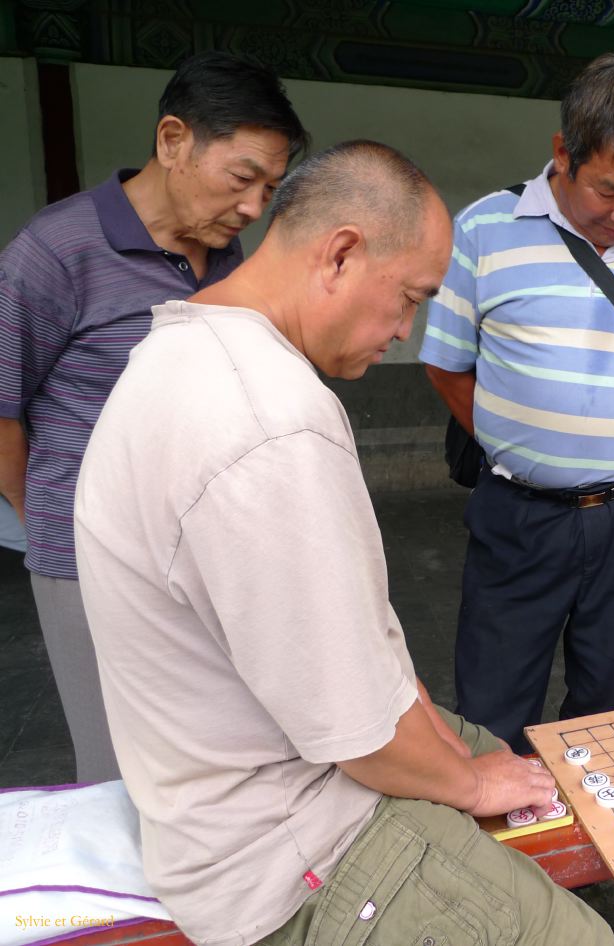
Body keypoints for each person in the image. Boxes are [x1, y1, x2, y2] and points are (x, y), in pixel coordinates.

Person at [75, 141, 614, 946]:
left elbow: (362, 669)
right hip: (294, 851)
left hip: (248, 787)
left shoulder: (183, 348)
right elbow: (362, 735)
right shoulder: (268, 423)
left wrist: (466, 759)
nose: (405, 330)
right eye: (407, 299)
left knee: (499, 754)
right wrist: (465, 784)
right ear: (339, 254)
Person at [0, 51, 305, 782]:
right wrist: (48, 516)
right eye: (242, 179)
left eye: (270, 188)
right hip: (88, 561)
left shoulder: (229, 259)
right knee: (117, 764)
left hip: (204, 554)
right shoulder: (56, 251)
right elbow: (3, 411)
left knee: (206, 755)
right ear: (173, 141)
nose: (254, 209)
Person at [420, 53, 614, 752]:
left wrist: (611, 450)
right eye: (609, 191)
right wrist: (515, 447)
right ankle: (507, 849)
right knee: (495, 703)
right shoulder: (485, 231)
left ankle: (592, 852)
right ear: (563, 153)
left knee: (613, 708)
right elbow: (445, 366)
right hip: (518, 515)